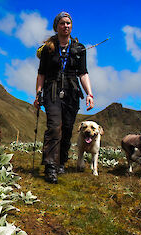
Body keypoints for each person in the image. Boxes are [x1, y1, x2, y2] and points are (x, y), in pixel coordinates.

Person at [34, 11, 94, 183]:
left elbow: (83, 73)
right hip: (52, 90)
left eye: (68, 23)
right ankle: (50, 167)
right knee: (54, 127)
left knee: (67, 128)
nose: (66, 26)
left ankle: (61, 162)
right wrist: (38, 93)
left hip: (72, 92)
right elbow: (41, 73)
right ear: (56, 26)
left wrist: (89, 93)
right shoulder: (48, 49)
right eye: (62, 23)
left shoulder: (79, 49)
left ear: (71, 26)